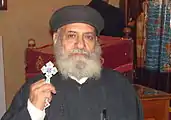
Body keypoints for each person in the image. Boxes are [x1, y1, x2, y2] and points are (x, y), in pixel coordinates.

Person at [1, 5, 143, 120]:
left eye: (88, 37)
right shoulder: (35, 89)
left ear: (97, 43)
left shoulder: (120, 88)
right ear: (56, 39)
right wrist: (32, 112)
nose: (80, 45)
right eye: (71, 36)